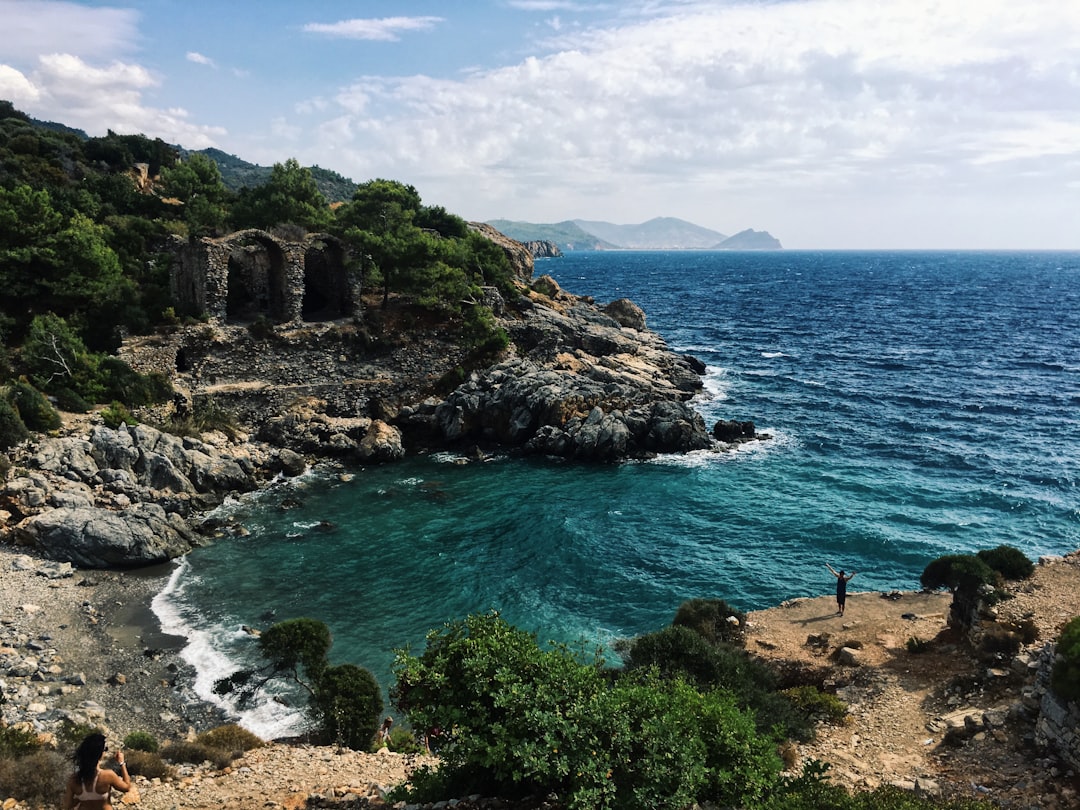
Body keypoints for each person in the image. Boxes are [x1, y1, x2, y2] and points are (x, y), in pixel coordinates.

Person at [62, 732, 130, 810]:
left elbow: (67, 806)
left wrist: (81, 799)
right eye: (105, 749)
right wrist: (122, 763)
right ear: (100, 753)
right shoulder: (108, 775)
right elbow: (126, 787)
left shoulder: (74, 780)